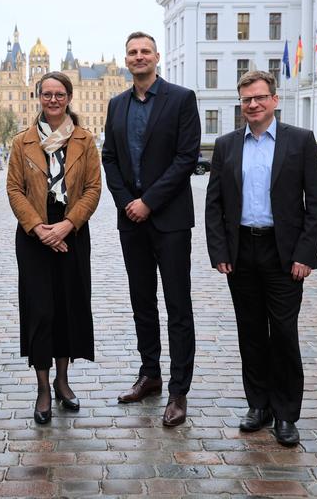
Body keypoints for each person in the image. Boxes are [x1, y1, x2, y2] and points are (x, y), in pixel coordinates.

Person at [205, 70, 317, 447]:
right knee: (251, 333)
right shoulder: (226, 146)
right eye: (246, 100)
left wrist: (305, 254)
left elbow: (316, 205)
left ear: (274, 100)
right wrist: (220, 252)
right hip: (242, 252)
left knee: (284, 334)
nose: (253, 105)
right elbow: (214, 205)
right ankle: (258, 405)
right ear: (239, 104)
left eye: (259, 98)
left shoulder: (300, 141)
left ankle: (286, 414)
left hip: (284, 254)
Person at [101, 31, 200, 428]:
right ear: (126, 60)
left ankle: (179, 391)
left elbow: (186, 157)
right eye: (132, 52)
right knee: (142, 302)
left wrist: (149, 202)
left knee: (177, 306)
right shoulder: (116, 104)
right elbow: (109, 158)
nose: (139, 57)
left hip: (170, 220)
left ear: (157, 57)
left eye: (145, 51)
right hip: (132, 221)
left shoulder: (181, 99)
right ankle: (151, 375)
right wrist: (128, 202)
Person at [7, 71, 101, 424]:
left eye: (59, 94)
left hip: (72, 231)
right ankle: (43, 387)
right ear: (38, 97)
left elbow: (93, 188)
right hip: (34, 234)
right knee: (40, 310)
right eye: (46, 94)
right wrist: (38, 227)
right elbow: (15, 189)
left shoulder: (84, 140)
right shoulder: (23, 142)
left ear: (69, 97)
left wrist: (67, 225)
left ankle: (63, 382)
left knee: (68, 307)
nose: (53, 100)